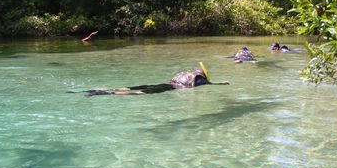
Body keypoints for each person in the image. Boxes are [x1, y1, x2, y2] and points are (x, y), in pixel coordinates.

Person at [85, 63, 229, 96]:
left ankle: (109, 89)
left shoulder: (184, 72)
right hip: (171, 87)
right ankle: (109, 94)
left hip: (167, 83)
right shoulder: (198, 78)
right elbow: (207, 84)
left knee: (137, 87)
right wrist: (221, 83)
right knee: (142, 93)